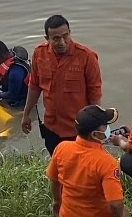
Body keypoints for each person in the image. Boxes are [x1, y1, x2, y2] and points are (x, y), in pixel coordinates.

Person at [21, 15, 102, 155]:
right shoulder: (39, 54)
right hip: (51, 126)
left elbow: (95, 93)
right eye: (56, 38)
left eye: (66, 36)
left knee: (79, 168)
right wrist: (26, 114)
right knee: (58, 163)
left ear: (70, 33)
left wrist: (97, 126)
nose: (62, 42)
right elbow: (34, 86)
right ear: (47, 39)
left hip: (78, 129)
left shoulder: (86, 57)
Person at [47, 105, 130, 217]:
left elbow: (54, 180)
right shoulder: (107, 163)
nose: (108, 128)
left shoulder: (61, 148)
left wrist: (56, 201)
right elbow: (115, 203)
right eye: (105, 125)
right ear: (94, 135)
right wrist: (122, 215)